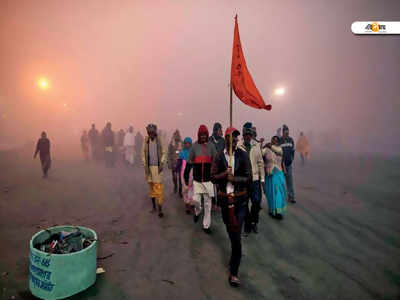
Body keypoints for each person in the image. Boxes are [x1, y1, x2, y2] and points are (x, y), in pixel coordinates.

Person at [211, 127, 252, 287]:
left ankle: (234, 272)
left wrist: (234, 179)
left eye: (236, 139)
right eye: (232, 138)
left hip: (240, 201)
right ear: (226, 139)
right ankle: (234, 256)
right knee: (231, 232)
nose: (234, 141)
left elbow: (248, 178)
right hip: (225, 202)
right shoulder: (219, 156)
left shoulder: (243, 155)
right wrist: (224, 175)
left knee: (236, 238)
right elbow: (213, 177)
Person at [184, 125, 217, 234]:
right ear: (199, 135)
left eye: (205, 135)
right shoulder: (194, 147)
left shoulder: (211, 147)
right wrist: (186, 174)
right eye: (201, 135)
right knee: (196, 200)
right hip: (197, 180)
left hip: (208, 180)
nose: (203, 137)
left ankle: (206, 226)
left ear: (207, 135)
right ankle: (197, 212)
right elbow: (189, 162)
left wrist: (215, 172)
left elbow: (215, 160)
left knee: (208, 204)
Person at [238, 123, 265, 235]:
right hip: (244, 180)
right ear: (243, 135)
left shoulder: (256, 145)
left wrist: (262, 180)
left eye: (249, 134)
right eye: (246, 134)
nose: (248, 136)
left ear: (252, 135)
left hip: (255, 179)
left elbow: (260, 163)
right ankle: (248, 225)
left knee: (256, 202)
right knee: (244, 203)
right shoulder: (239, 145)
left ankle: (254, 222)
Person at [142, 124, 166, 218]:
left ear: (155, 132)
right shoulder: (146, 140)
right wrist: (145, 166)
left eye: (152, 132)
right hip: (149, 168)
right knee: (151, 187)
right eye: (149, 132)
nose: (151, 134)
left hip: (157, 168)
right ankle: (153, 207)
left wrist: (162, 163)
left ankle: (160, 209)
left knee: (158, 188)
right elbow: (143, 153)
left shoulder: (159, 140)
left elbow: (164, 152)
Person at [263, 136, 287, 219]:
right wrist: (262, 144)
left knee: (278, 192)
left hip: (278, 174)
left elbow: (277, 151)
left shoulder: (280, 149)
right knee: (270, 193)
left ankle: (278, 212)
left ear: (278, 142)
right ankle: (272, 210)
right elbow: (260, 153)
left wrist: (269, 146)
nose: (274, 141)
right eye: (273, 140)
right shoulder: (266, 150)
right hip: (269, 175)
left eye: (276, 140)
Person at [209, 122, 225, 210]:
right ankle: (212, 202)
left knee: (219, 185)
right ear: (215, 130)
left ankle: (219, 203)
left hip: (221, 165)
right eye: (219, 130)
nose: (221, 131)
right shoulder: (209, 140)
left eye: (221, 129)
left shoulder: (223, 141)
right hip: (211, 165)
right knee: (211, 185)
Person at [280, 125, 296, 203]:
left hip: (288, 164)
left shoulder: (291, 140)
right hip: (281, 165)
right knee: (282, 182)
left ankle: (291, 197)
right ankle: (282, 197)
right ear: (283, 132)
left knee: (289, 181)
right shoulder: (280, 140)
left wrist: (292, 159)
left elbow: (293, 151)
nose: (287, 133)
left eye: (288, 132)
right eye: (285, 132)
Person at [179, 137, 194, 214]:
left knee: (191, 188)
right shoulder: (182, 153)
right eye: (186, 143)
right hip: (183, 172)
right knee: (185, 187)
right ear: (184, 144)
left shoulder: (193, 152)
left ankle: (191, 204)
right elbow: (179, 164)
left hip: (192, 172)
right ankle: (187, 205)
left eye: (189, 143)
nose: (187, 145)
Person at [167, 130, 183, 195]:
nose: (177, 136)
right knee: (174, 177)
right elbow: (169, 153)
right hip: (173, 163)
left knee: (180, 177)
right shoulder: (171, 143)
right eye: (175, 135)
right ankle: (175, 186)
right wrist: (169, 162)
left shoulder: (182, 143)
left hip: (180, 162)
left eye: (178, 135)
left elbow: (184, 151)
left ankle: (180, 189)